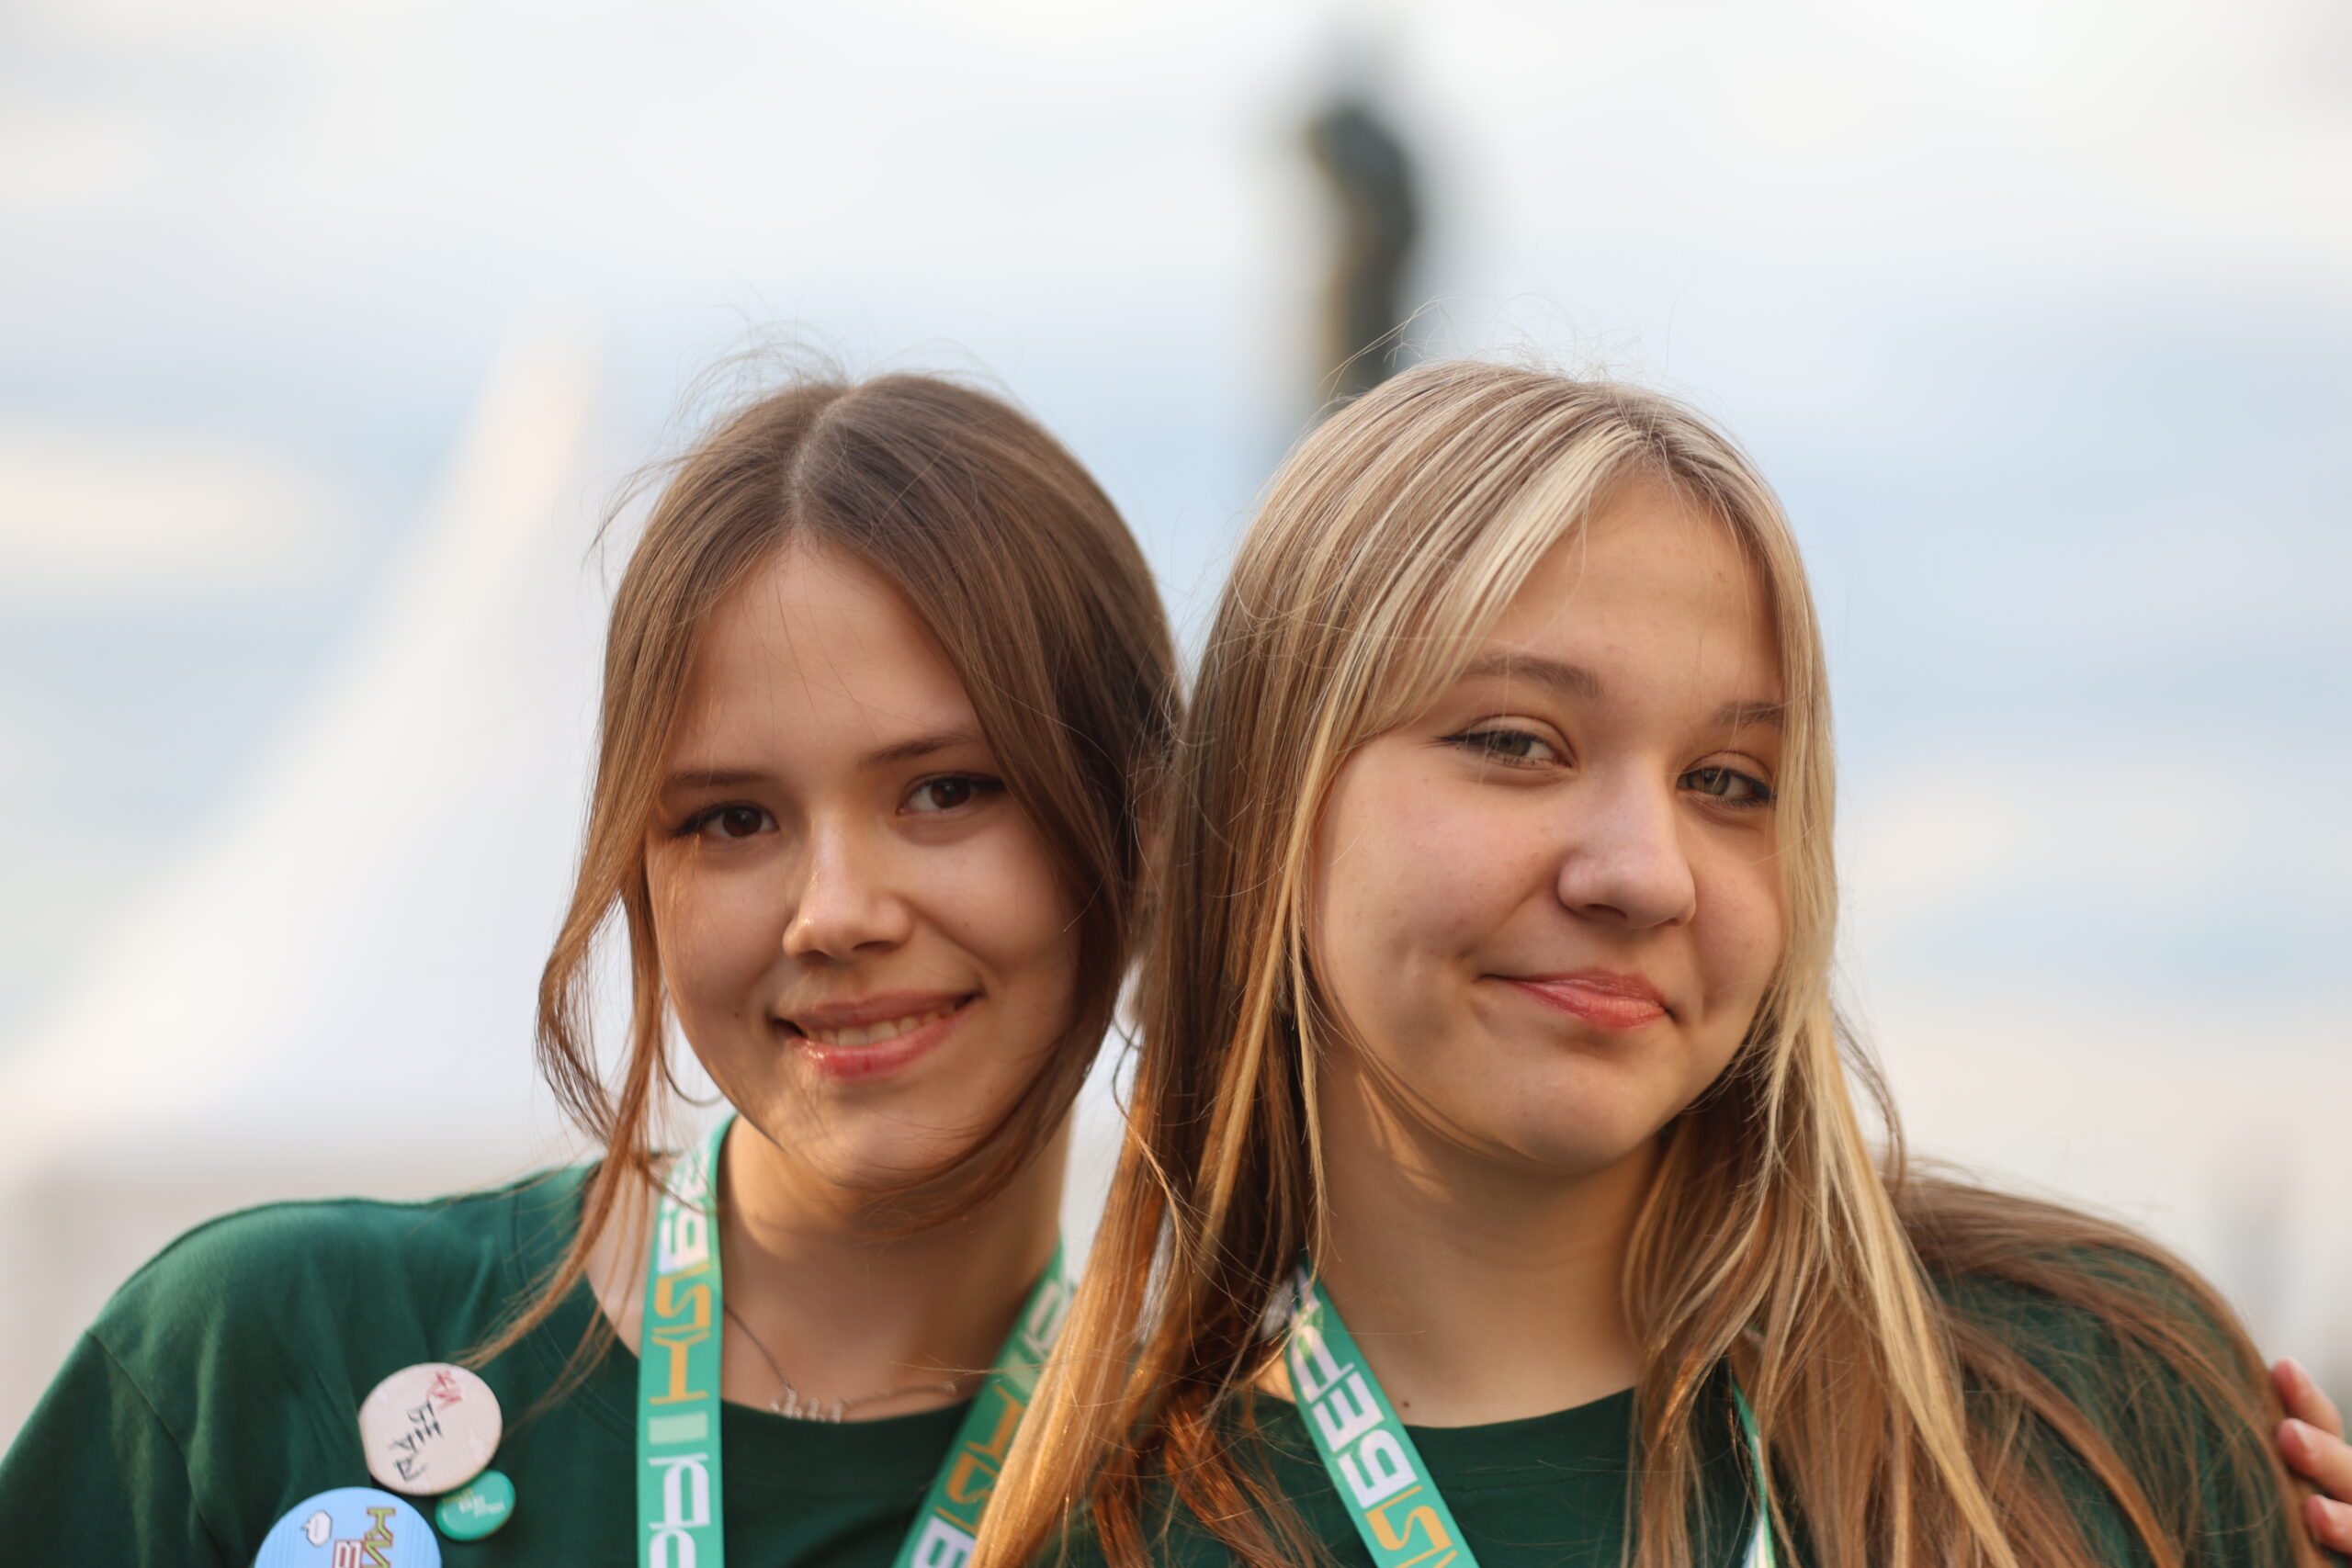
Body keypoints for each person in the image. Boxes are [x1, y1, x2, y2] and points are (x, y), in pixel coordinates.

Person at [977, 360, 2342, 1568]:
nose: (1646, 873)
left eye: (1729, 780)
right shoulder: (1113, 1543)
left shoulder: (2094, 1406)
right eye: (1517, 743)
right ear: (1270, 796)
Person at [0, 371, 1177, 1564]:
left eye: (946, 791)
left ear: (1149, 831)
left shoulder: (1218, 1516)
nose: (832, 914)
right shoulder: (274, 1364)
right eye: (732, 819)